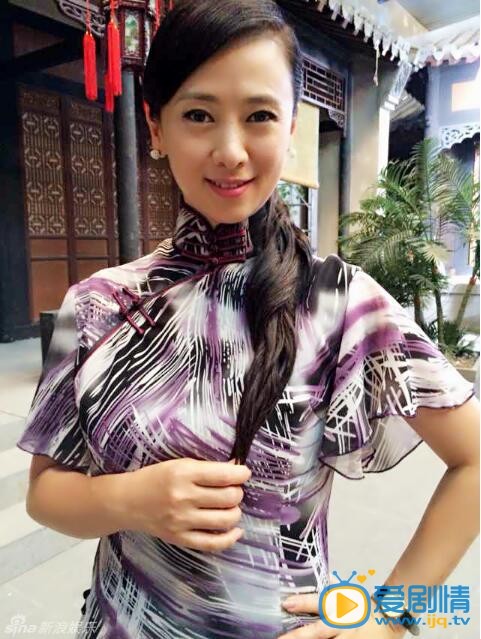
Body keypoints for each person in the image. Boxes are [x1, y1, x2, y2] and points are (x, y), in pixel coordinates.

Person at [17, 1, 479, 638]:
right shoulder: (98, 305)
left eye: (259, 116)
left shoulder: (340, 302)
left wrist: (387, 619)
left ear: (290, 128)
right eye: (199, 115)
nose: (231, 151)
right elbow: (45, 493)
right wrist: (127, 499)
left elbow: (474, 461)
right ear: (156, 128)